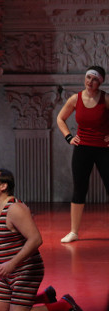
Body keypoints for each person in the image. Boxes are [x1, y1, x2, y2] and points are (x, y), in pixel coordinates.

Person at [0, 168, 85, 311]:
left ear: (3, 186)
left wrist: (12, 264)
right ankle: (44, 297)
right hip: (8, 273)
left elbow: (36, 239)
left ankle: (62, 304)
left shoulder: (15, 209)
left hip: (26, 270)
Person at [56, 65, 109, 243]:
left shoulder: (106, 99)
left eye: (95, 79)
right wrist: (69, 137)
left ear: (100, 82)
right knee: (79, 188)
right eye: (88, 78)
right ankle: (73, 232)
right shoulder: (75, 99)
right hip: (83, 149)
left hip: (104, 149)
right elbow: (60, 118)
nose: (90, 82)